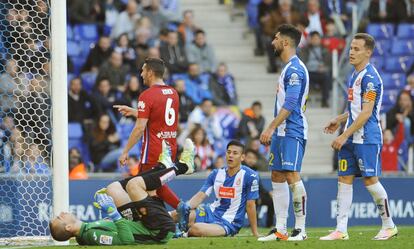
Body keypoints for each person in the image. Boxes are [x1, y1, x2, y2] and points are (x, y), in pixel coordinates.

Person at [320, 33, 397, 240]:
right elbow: (356, 109)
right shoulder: (354, 75)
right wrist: (340, 118)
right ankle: (340, 230)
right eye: (351, 48)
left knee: (370, 180)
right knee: (344, 179)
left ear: (368, 52)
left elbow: (366, 113)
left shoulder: (371, 79)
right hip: (352, 136)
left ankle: (389, 225)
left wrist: (343, 135)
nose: (351, 52)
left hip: (367, 137)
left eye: (356, 49)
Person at [49, 140, 195, 245]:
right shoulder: (91, 235)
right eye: (60, 218)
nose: (62, 213)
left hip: (145, 223)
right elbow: (126, 240)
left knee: (113, 189)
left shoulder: (87, 230)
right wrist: (113, 213)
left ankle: (162, 167)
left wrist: (112, 218)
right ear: (68, 227)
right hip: (158, 230)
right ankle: (182, 167)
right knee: (133, 185)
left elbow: (117, 230)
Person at [258, 24, 309, 242]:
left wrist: (270, 126)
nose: (273, 42)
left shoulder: (295, 70)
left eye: (276, 38)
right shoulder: (287, 67)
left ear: (285, 42)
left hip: (292, 129)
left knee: (291, 175)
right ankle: (280, 229)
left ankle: (300, 229)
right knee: (277, 175)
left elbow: (290, 104)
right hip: (281, 131)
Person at [114, 58, 181, 209]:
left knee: (142, 186)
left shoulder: (147, 95)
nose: (141, 74)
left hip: (154, 150)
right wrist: (135, 112)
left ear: (150, 72)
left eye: (143, 70)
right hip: (170, 148)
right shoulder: (173, 93)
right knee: (155, 186)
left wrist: (125, 151)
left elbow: (139, 128)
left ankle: (171, 216)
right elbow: (159, 116)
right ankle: (177, 213)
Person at [176, 140, 259, 237]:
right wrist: (187, 206)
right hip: (210, 212)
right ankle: (160, 227)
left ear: (242, 157)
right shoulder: (216, 173)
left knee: (196, 229)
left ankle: (181, 233)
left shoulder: (250, 176)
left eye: (235, 153)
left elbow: (250, 205)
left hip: (229, 222)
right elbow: (201, 195)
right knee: (177, 214)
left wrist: (255, 232)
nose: (230, 155)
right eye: (228, 152)